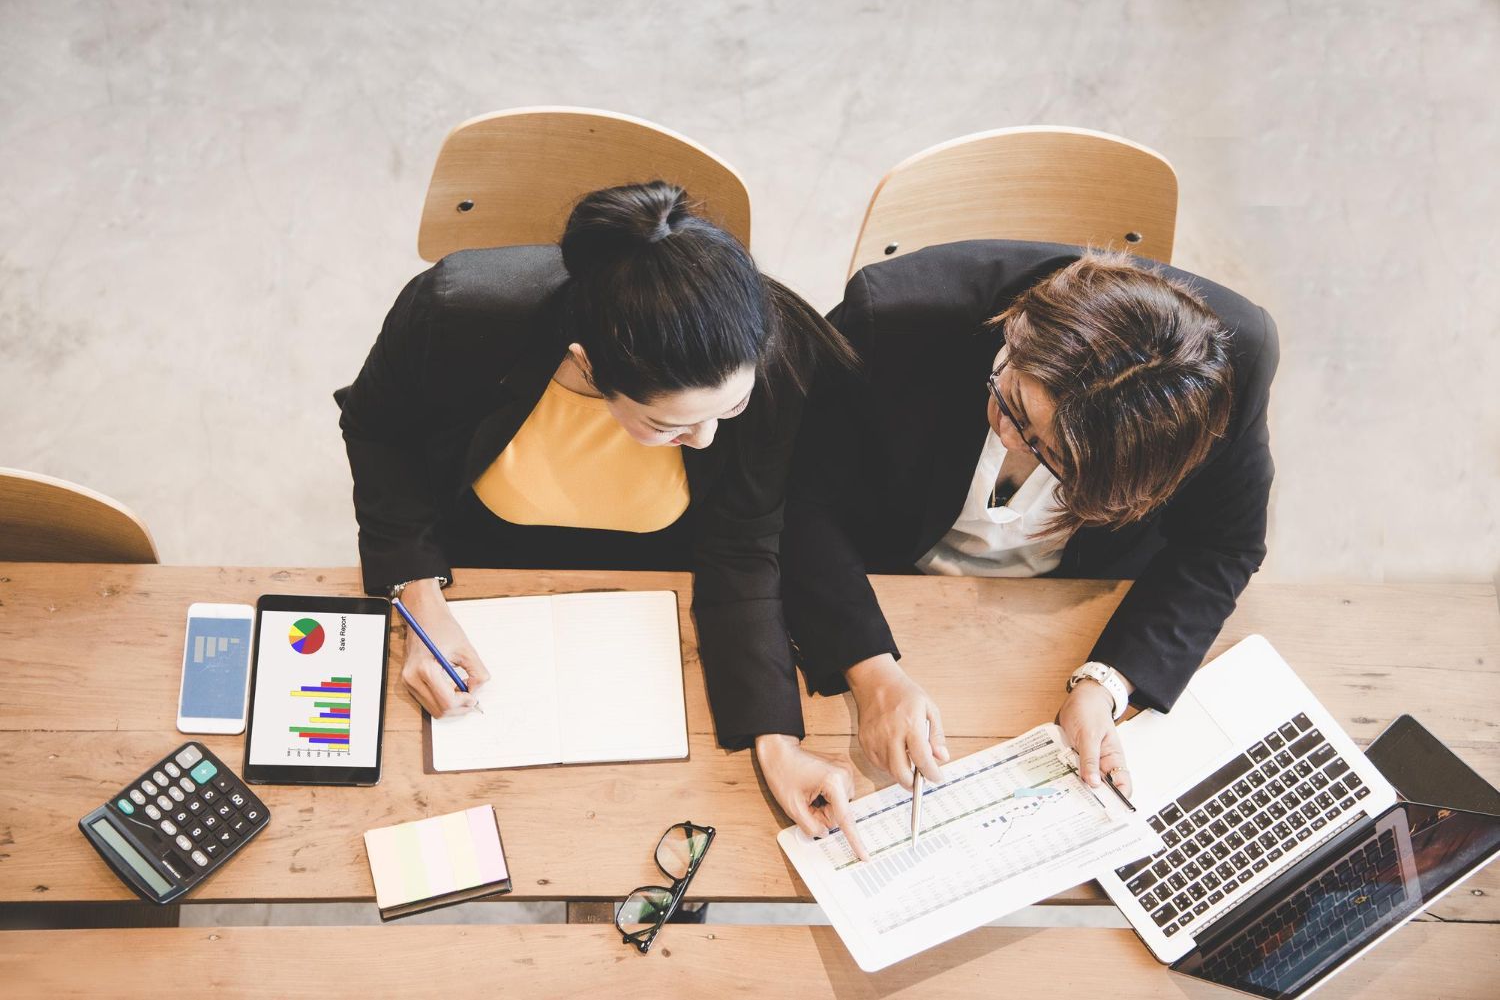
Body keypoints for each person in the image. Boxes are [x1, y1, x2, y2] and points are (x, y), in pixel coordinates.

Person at [764, 240, 1278, 846]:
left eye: (1043, 448)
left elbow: (1223, 545)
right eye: (1010, 395)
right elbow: (798, 499)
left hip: (1073, 609)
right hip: (883, 579)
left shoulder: (1236, 361)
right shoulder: (894, 317)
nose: (1006, 434)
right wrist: (872, 674)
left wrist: (1106, 684)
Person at [335, 182, 856, 771]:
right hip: (474, 555)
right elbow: (379, 431)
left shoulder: (767, 351)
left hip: (664, 577)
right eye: (667, 424)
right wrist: (419, 598)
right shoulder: (456, 312)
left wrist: (778, 741)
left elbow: (741, 543)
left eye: (728, 410)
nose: (708, 439)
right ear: (587, 363)